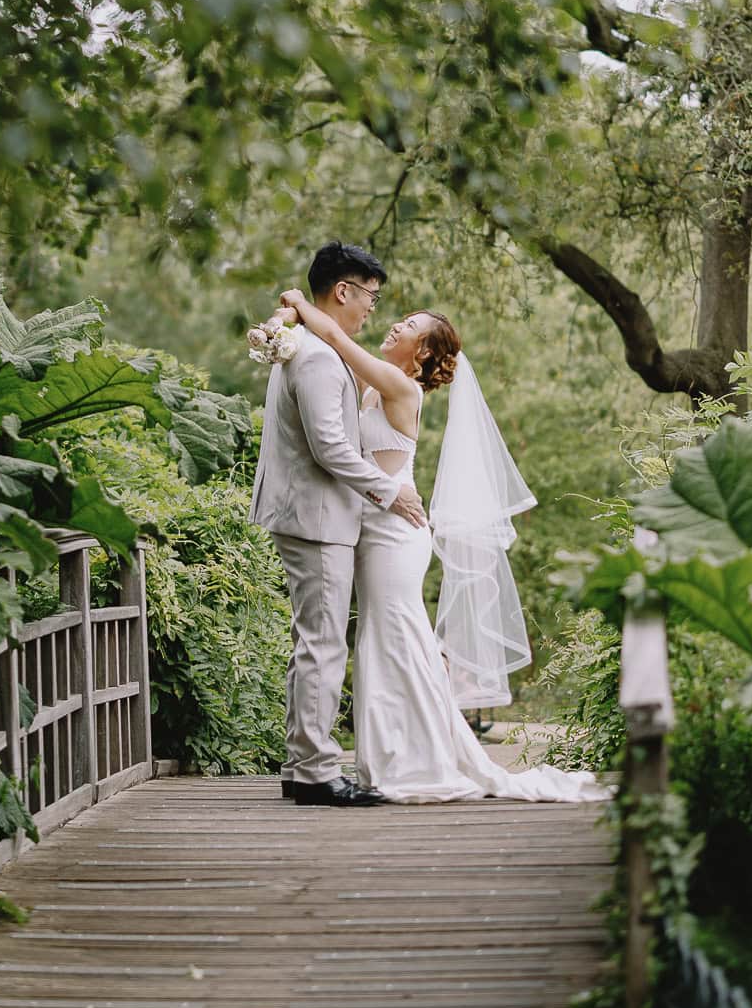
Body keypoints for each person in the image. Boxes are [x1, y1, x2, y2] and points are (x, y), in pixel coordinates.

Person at [273, 285, 610, 805]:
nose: (394, 325)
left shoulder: (399, 388)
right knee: (386, 643)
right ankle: (393, 758)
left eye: (408, 325)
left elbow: (338, 336)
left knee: (396, 641)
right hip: (373, 528)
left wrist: (298, 302)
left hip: (394, 535)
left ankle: (412, 764)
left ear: (423, 352)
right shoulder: (373, 385)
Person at [248, 242, 426, 807]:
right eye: (371, 294)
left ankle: (303, 761)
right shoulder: (321, 359)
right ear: (344, 291)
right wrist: (389, 489)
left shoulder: (307, 344)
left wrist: (293, 309)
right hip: (318, 517)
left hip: (308, 513)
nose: (374, 307)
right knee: (323, 645)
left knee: (313, 641)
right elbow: (330, 448)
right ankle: (315, 771)